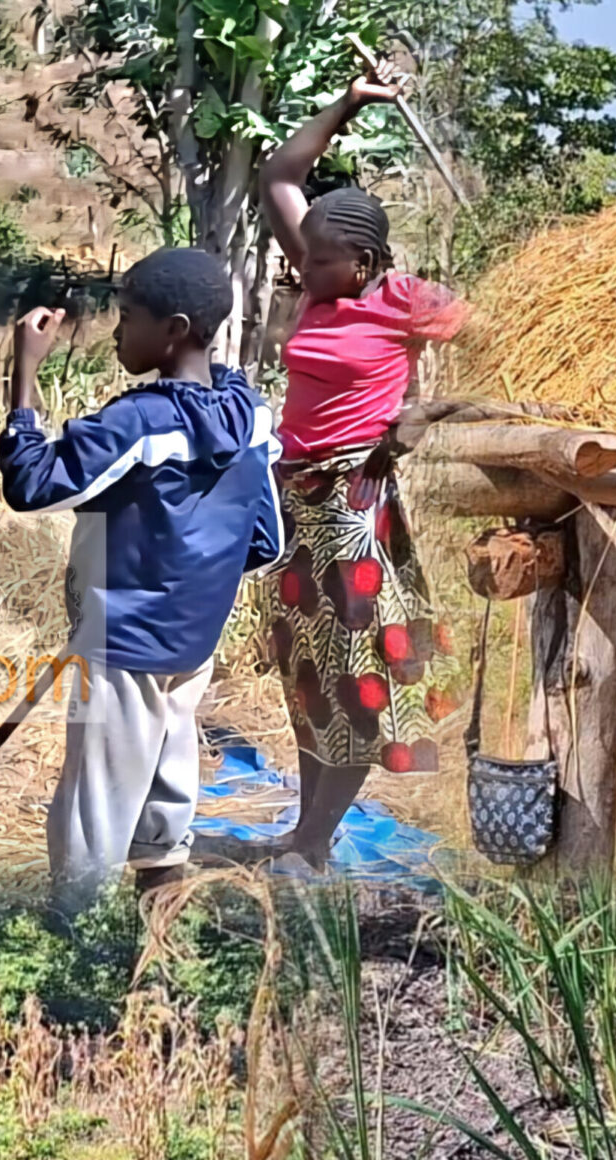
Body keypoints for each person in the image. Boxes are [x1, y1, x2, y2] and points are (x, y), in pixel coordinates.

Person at [0, 248, 283, 911]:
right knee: (166, 797)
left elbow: (32, 486)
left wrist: (24, 377)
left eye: (129, 318)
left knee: (93, 811)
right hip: (193, 643)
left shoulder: (138, 421)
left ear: (175, 328)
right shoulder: (249, 413)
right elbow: (265, 542)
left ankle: (74, 954)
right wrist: (191, 576)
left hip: (122, 644)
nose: (120, 333)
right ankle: (159, 942)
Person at [254, 76, 470, 872]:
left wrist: (419, 418)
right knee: (306, 667)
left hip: (353, 500)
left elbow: (499, 342)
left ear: (366, 261)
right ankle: (310, 830)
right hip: (294, 495)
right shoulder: (320, 280)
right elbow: (278, 175)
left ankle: (312, 838)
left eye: (319, 260)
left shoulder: (404, 301)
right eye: (303, 255)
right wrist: (348, 102)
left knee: (350, 672)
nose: (300, 270)